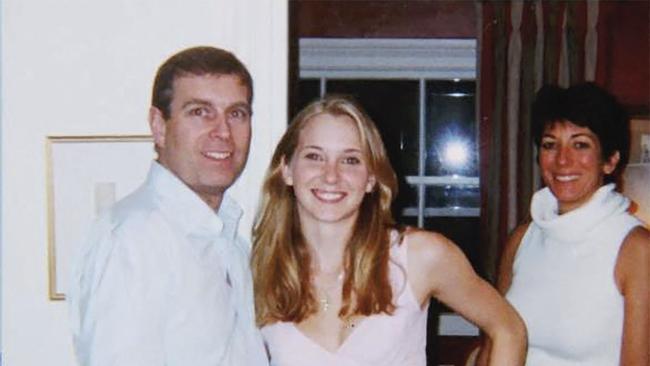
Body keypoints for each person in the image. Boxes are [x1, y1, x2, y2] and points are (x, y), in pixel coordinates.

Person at [251, 95, 527, 366]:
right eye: (314, 156)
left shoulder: (419, 256)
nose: (331, 175)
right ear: (286, 169)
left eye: (350, 160)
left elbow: (508, 329)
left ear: (371, 177)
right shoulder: (257, 271)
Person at [68, 46, 268, 366]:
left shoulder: (229, 242)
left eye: (236, 113)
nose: (223, 132)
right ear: (159, 126)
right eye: (200, 112)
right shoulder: (135, 239)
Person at [483, 82, 650, 365]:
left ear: (609, 161)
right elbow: (492, 344)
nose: (562, 160)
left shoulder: (636, 249)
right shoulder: (522, 239)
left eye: (580, 144)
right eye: (550, 145)